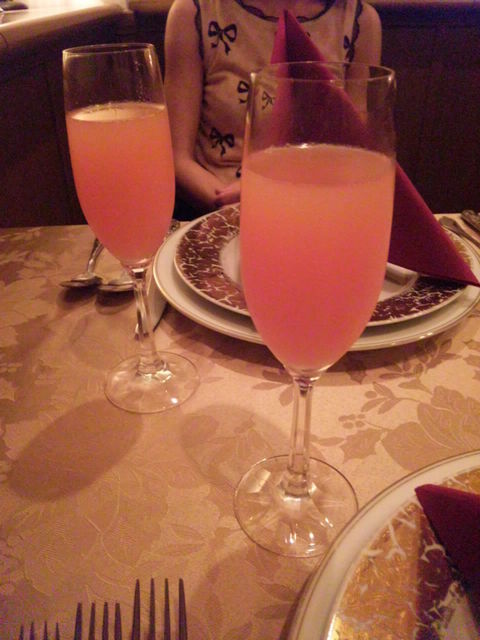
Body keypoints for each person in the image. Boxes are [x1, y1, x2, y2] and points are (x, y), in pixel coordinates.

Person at [164, 0, 382, 219]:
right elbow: (177, 158)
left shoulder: (359, 20)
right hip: (214, 210)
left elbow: (355, 155)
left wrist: (276, 197)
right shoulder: (193, 12)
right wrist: (235, 204)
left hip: (315, 206)